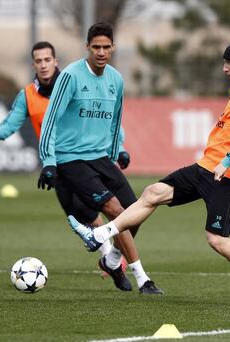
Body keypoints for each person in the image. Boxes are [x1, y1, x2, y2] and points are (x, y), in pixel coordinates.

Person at [69, 37, 230, 307]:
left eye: (229, 63)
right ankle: (99, 235)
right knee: (153, 193)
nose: (225, 69)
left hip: (225, 176)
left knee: (217, 240)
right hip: (206, 167)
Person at [38, 23, 163, 294]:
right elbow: (50, 120)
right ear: (87, 48)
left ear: (113, 47)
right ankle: (144, 279)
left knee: (136, 213)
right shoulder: (71, 76)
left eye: (106, 47)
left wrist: (119, 150)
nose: (102, 52)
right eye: (96, 47)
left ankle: (111, 260)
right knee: (117, 212)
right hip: (71, 160)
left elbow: (115, 120)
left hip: (101, 158)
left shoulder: (116, 79)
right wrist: (48, 161)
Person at [0, 41, 129, 272]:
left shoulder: (75, 82)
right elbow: (13, 120)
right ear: (33, 65)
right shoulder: (28, 95)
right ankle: (109, 260)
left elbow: (105, 117)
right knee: (80, 215)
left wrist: (119, 147)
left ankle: (113, 262)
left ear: (55, 61)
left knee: (101, 210)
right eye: (38, 61)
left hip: (84, 159)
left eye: (47, 60)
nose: (43, 65)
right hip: (56, 164)